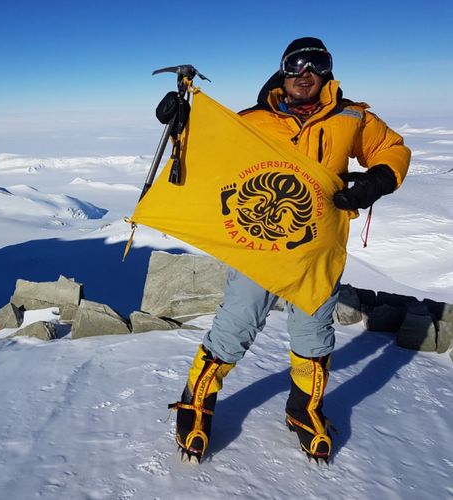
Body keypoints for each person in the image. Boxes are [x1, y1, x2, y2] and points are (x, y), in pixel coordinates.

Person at [170, 37, 411, 463]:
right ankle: (197, 403)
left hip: (317, 248)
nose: (305, 74)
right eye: (296, 66)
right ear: (283, 70)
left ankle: (304, 409)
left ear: (327, 71)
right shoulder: (254, 119)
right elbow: (204, 152)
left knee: (314, 331)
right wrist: (179, 122)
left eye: (315, 65)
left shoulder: (350, 116)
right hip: (259, 243)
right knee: (237, 322)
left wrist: (379, 180)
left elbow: (392, 149)